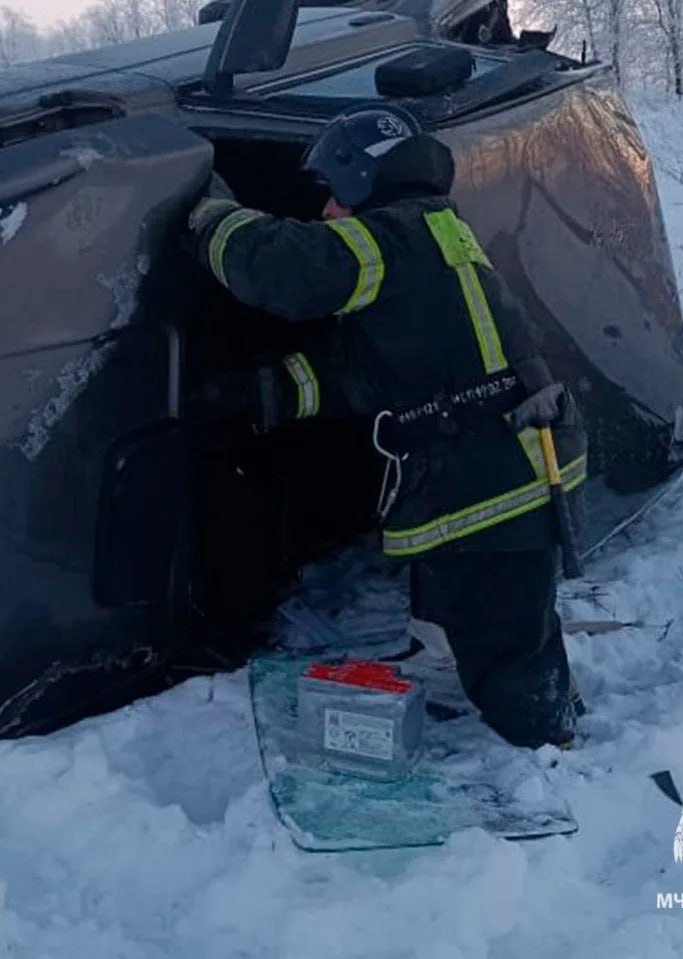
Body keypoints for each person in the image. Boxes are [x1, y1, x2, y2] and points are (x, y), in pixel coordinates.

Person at [186, 105, 588, 749]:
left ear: (363, 179)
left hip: (491, 473)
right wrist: (261, 394)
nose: (325, 214)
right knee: (473, 604)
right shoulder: (429, 238)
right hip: (493, 463)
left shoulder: (393, 235)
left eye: (331, 197)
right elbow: (368, 370)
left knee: (504, 642)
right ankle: (499, 706)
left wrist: (209, 216)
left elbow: (284, 268)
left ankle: (550, 749)